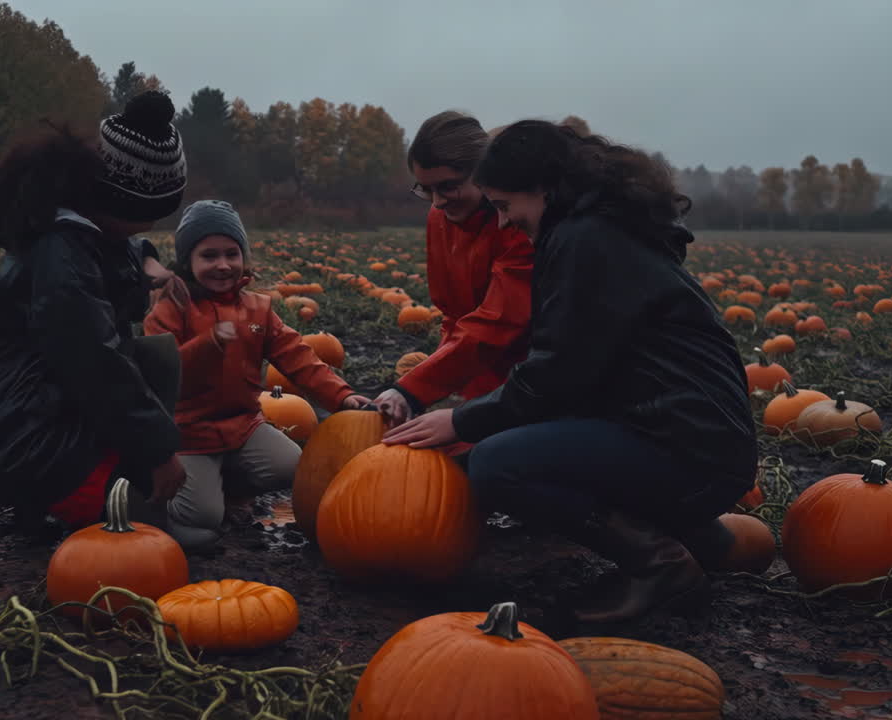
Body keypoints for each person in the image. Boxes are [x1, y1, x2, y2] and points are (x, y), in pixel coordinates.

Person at [383, 120, 758, 625]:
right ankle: (699, 539)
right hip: (696, 438)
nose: (502, 222)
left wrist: (462, 422)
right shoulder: (598, 227)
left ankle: (661, 568)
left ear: (541, 188)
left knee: (499, 465)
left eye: (504, 206)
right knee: (515, 451)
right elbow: (573, 372)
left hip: (687, 445)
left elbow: (557, 371)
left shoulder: (584, 239)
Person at [0, 91, 189, 532]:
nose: (154, 227)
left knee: (158, 354)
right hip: (28, 437)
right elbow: (97, 364)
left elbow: (117, 249)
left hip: (46, 404)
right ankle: (94, 504)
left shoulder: (78, 229)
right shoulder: (62, 259)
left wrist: (147, 260)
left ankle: (128, 488)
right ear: (122, 205)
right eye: (151, 217)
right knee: (130, 365)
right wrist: (159, 453)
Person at [144, 200, 372, 551]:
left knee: (290, 465)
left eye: (231, 254)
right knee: (203, 517)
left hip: (243, 426)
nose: (223, 265)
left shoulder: (258, 309)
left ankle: (232, 488)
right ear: (187, 261)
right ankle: (160, 511)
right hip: (188, 436)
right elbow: (161, 372)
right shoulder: (169, 310)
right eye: (209, 256)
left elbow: (299, 357)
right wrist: (207, 344)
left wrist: (342, 396)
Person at [372, 111, 534, 434]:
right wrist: (435, 386)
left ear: (482, 171)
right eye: (426, 189)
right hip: (478, 378)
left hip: (529, 383)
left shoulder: (517, 220)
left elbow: (500, 321)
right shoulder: (439, 218)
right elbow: (453, 316)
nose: (438, 201)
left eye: (448, 186)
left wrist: (413, 389)